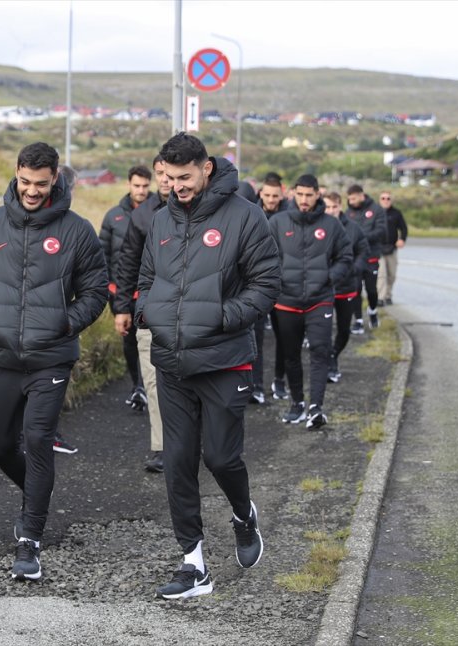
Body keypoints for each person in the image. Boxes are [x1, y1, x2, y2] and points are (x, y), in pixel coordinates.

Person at [135, 133, 280, 599]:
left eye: (184, 177)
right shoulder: (159, 221)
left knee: (220, 457)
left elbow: (265, 284)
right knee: (178, 462)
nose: (176, 185)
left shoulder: (246, 216)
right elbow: (145, 279)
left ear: (207, 169)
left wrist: (220, 316)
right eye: (169, 177)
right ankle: (193, 564)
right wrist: (146, 314)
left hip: (224, 361)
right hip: (172, 362)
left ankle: (243, 515)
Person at [0, 142, 107, 581]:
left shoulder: (78, 231)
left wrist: (65, 324)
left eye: (41, 184)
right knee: (3, 445)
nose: (32, 191)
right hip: (0, 355)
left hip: (51, 359)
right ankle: (35, 497)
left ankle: (30, 541)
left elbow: (96, 290)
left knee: (38, 439)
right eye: (25, 182)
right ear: (16, 174)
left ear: (55, 178)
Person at [268, 175, 352, 428]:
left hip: (320, 301)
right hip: (286, 302)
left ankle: (316, 408)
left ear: (318, 195)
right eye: (300, 194)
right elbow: (265, 258)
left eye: (309, 195)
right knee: (291, 355)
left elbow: (345, 256)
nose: (304, 200)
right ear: (292, 194)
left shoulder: (331, 225)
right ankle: (297, 404)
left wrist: (329, 277)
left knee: (320, 351)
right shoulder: (277, 222)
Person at [114, 155, 171, 473]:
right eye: (160, 174)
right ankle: (162, 448)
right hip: (150, 313)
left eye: (169, 174)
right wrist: (122, 307)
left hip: (190, 315)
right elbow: (127, 264)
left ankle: (193, 440)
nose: (164, 180)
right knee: (153, 382)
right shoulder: (142, 217)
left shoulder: (199, 211)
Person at [101, 166, 153, 412]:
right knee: (130, 341)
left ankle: (151, 387)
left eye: (145, 186)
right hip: (119, 292)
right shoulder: (113, 216)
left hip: (148, 292)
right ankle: (137, 386)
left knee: (150, 341)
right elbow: (103, 254)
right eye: (137, 185)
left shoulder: (158, 212)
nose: (141, 190)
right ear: (129, 185)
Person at [323, 192, 369, 383]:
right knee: (323, 330)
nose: (331, 211)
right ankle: (328, 363)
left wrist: (355, 269)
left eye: (334, 207)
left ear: (340, 206)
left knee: (344, 330)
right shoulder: (317, 227)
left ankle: (334, 354)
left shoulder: (353, 228)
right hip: (324, 289)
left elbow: (363, 250)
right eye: (327, 207)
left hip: (347, 287)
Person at [51, 164, 80, 455]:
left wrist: (71, 320)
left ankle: (47, 432)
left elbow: (91, 285)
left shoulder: (76, 228)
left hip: (60, 326)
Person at [255, 175, 290, 403]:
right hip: (257, 286)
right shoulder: (250, 213)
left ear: (282, 194)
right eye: (266, 195)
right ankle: (256, 384)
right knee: (255, 338)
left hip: (284, 287)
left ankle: (279, 379)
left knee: (284, 338)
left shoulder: (290, 216)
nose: (270, 200)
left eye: (275, 196)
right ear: (260, 193)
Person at [344, 185, 387, 333]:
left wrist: (361, 238)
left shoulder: (376, 210)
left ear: (362, 196)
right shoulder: (348, 213)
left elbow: (381, 230)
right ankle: (359, 321)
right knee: (355, 290)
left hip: (371, 257)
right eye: (349, 199)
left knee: (371, 290)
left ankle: (373, 311)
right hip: (355, 258)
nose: (351, 201)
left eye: (354, 198)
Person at [377, 191, 407, 305]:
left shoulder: (396, 213)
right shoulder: (375, 212)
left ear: (391, 200)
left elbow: (403, 228)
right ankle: (380, 297)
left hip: (392, 248)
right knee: (381, 274)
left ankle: (388, 295)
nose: (385, 200)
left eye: (388, 198)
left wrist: (402, 239)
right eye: (383, 198)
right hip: (378, 248)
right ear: (379, 200)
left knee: (391, 274)